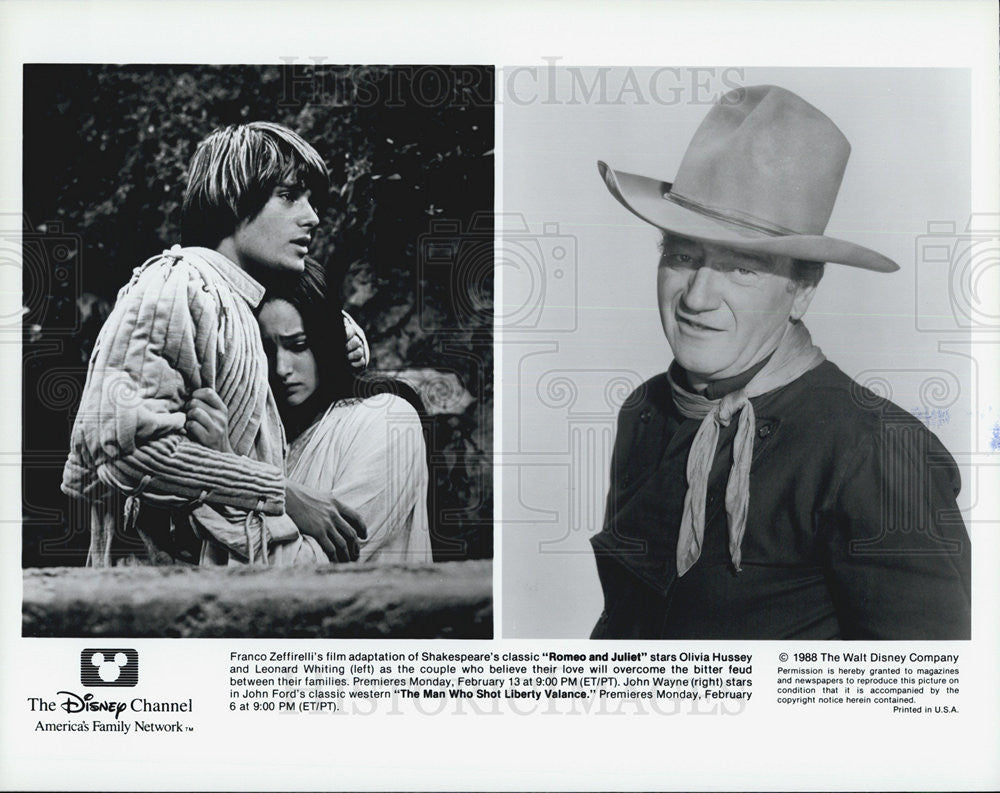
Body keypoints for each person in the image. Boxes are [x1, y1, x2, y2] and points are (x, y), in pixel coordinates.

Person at [589, 85, 971, 639]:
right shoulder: (647, 409)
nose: (697, 298)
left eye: (742, 268)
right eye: (682, 256)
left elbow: (928, 694)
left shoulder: (877, 451)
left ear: (802, 290)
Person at [62, 121, 366, 566]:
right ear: (232, 198)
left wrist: (344, 339)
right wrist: (282, 494)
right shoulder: (178, 283)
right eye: (288, 196)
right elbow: (126, 452)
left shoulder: (229, 297)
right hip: (153, 603)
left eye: (310, 200)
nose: (311, 217)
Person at [255, 259, 433, 563]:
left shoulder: (386, 421)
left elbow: (315, 567)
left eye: (298, 345)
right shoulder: (265, 437)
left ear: (326, 342)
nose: (281, 369)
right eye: (266, 351)